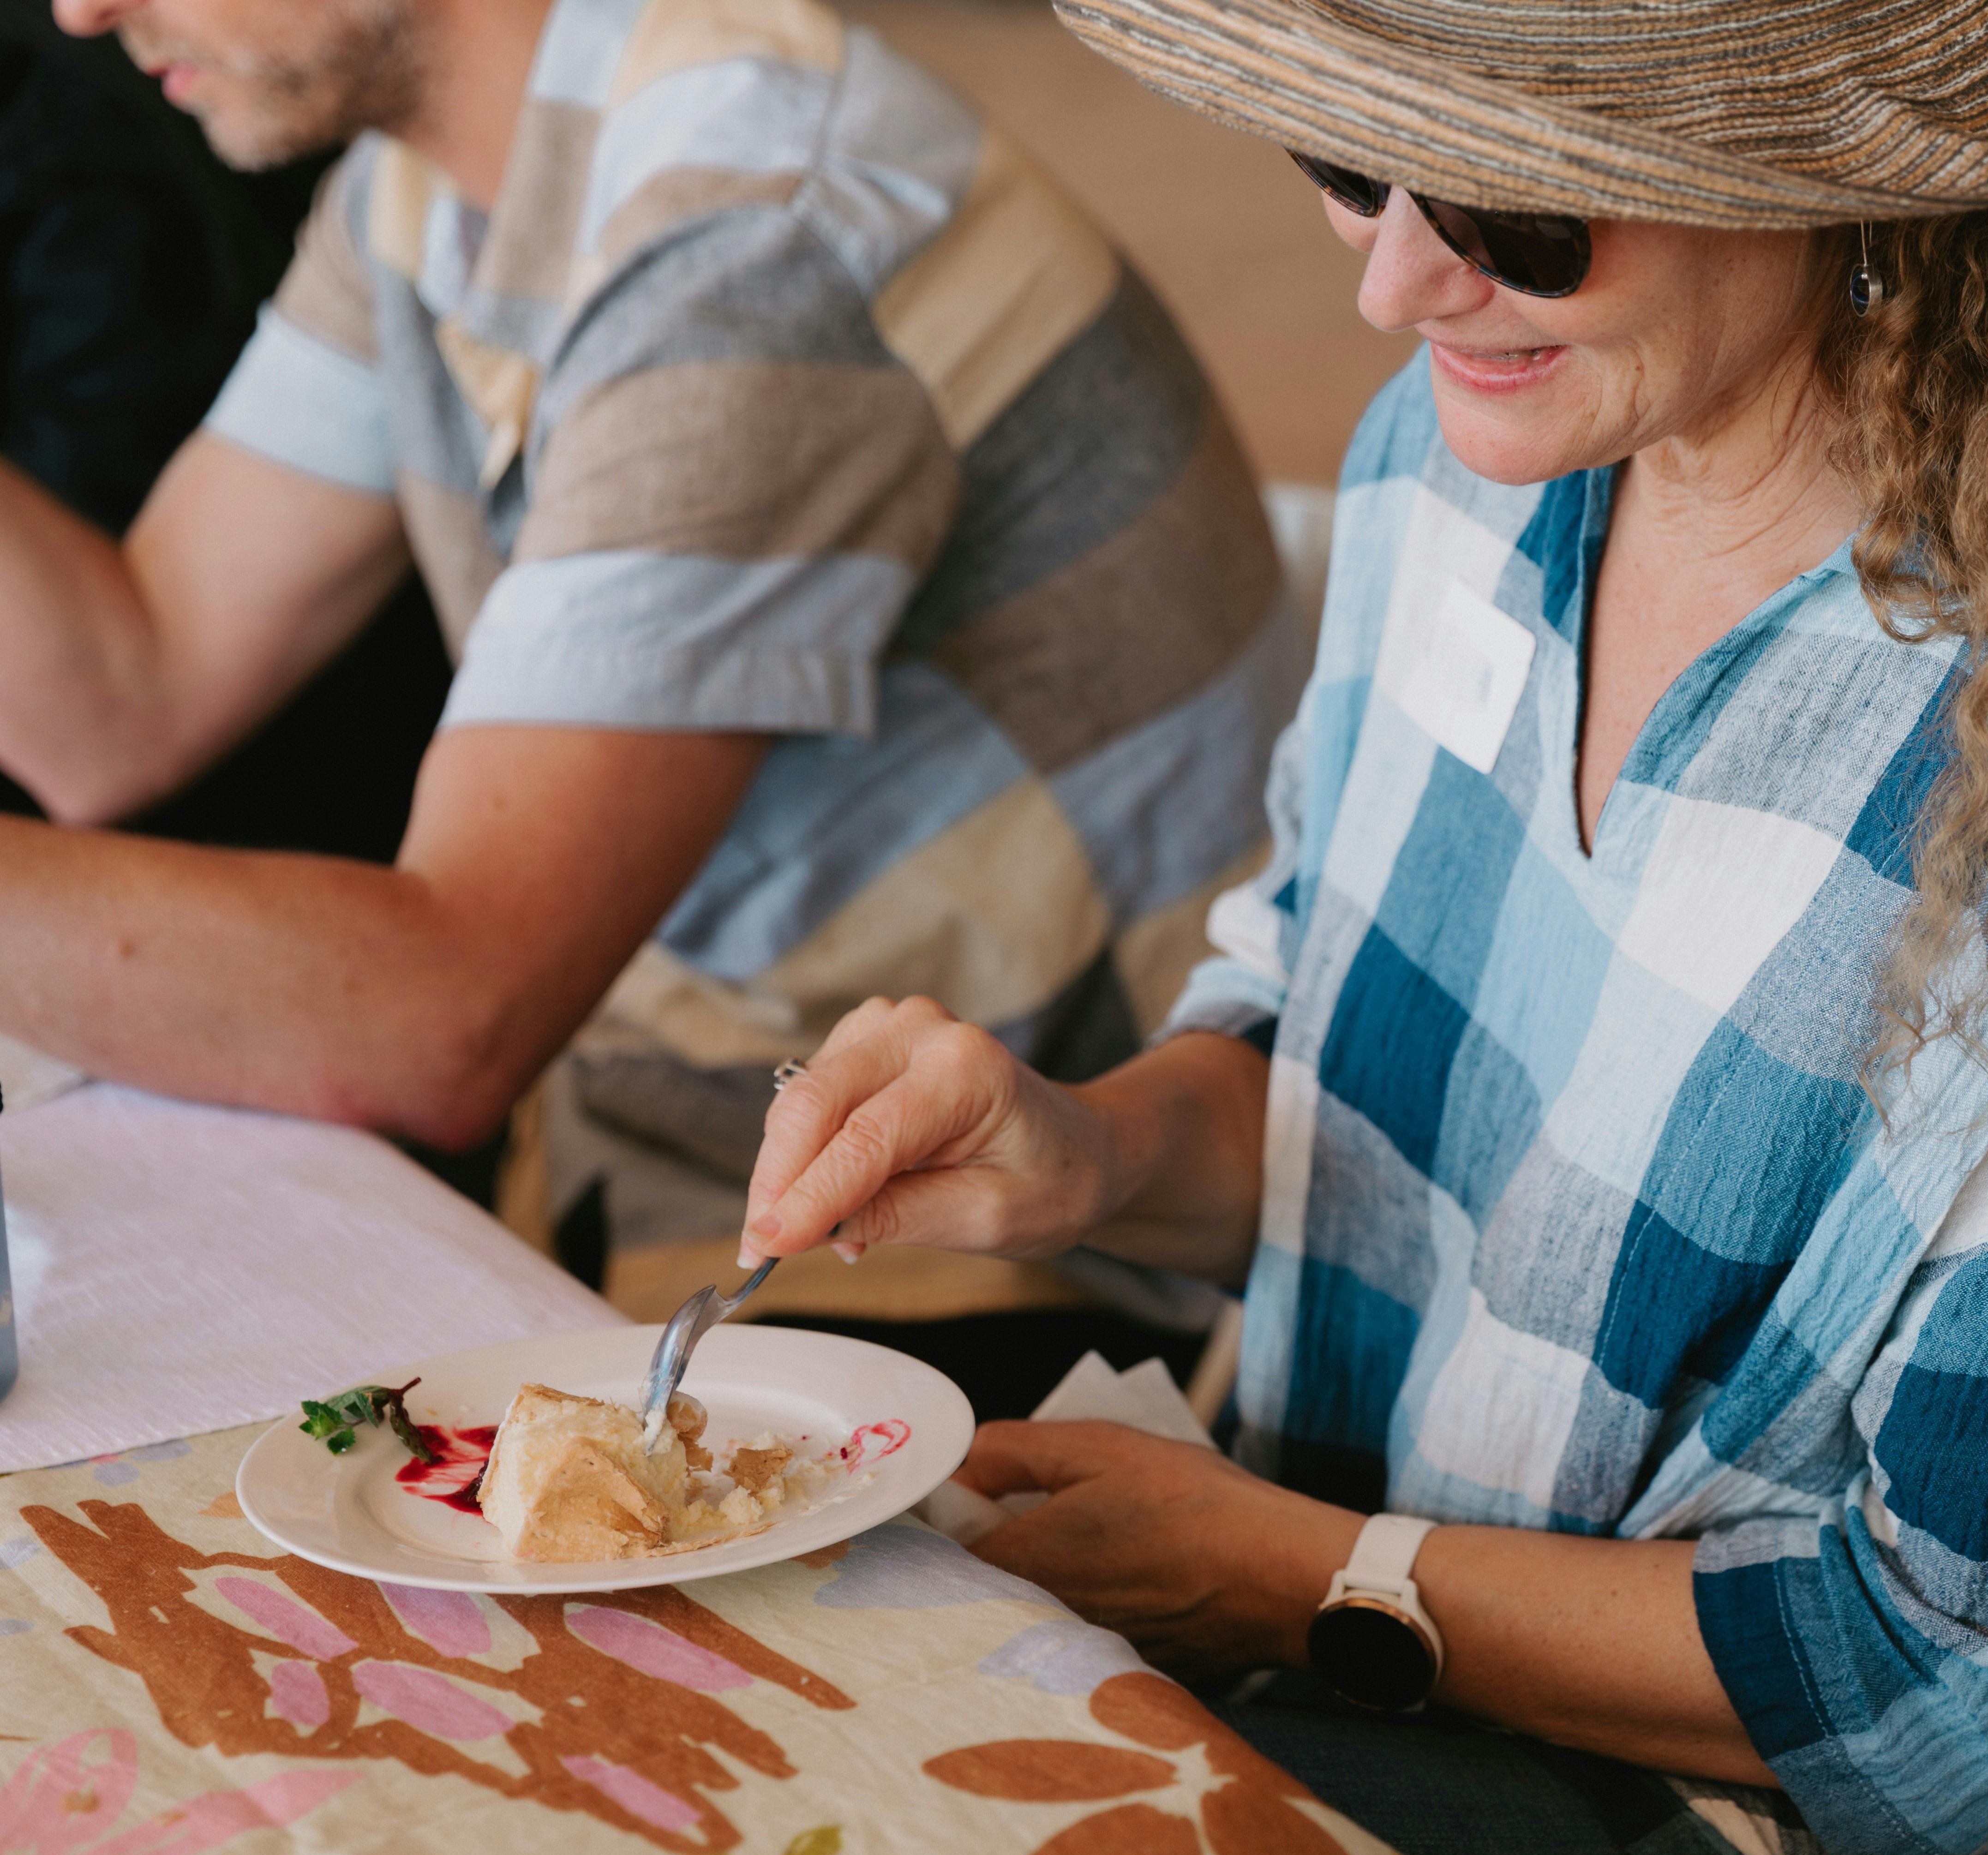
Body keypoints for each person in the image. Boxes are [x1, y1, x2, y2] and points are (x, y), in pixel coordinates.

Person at [738, 0, 1988, 1855]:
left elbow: (1975, 1709)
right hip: (1402, 1637)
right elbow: (1356, 1061)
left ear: (1837, 182)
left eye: (1513, 204)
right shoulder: (1456, 459)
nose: (1396, 276)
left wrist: (1289, 1571)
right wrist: (1085, 1150)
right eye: (1348, 162)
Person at [0, 0, 1299, 1388]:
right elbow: (122, 690)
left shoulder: (745, 225)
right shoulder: (427, 187)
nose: (81, 9)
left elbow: (448, 1014)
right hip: (654, 1195)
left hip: (977, 1278)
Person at [0, 9, 454, 878]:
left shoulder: (717, 187)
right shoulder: (393, 200)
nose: (83, 10)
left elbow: (474, 971)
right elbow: (121, 702)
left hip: (325, 858)